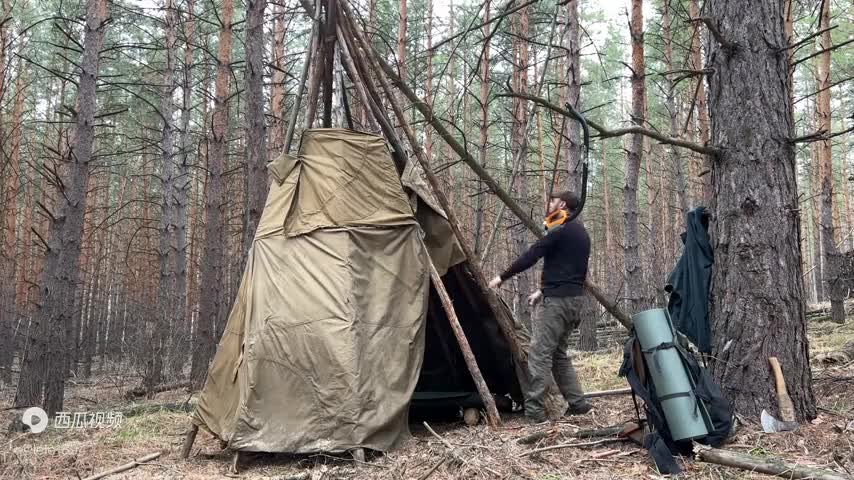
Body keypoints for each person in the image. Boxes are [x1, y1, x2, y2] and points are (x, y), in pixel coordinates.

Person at [488, 190, 592, 423]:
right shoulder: (580, 233)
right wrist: (542, 291)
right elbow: (569, 269)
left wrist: (502, 277)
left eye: (552, 201)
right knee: (558, 355)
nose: (549, 205)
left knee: (539, 354)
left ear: (562, 204)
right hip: (573, 300)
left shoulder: (561, 229)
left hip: (557, 303)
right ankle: (578, 403)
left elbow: (533, 254)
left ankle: (535, 412)